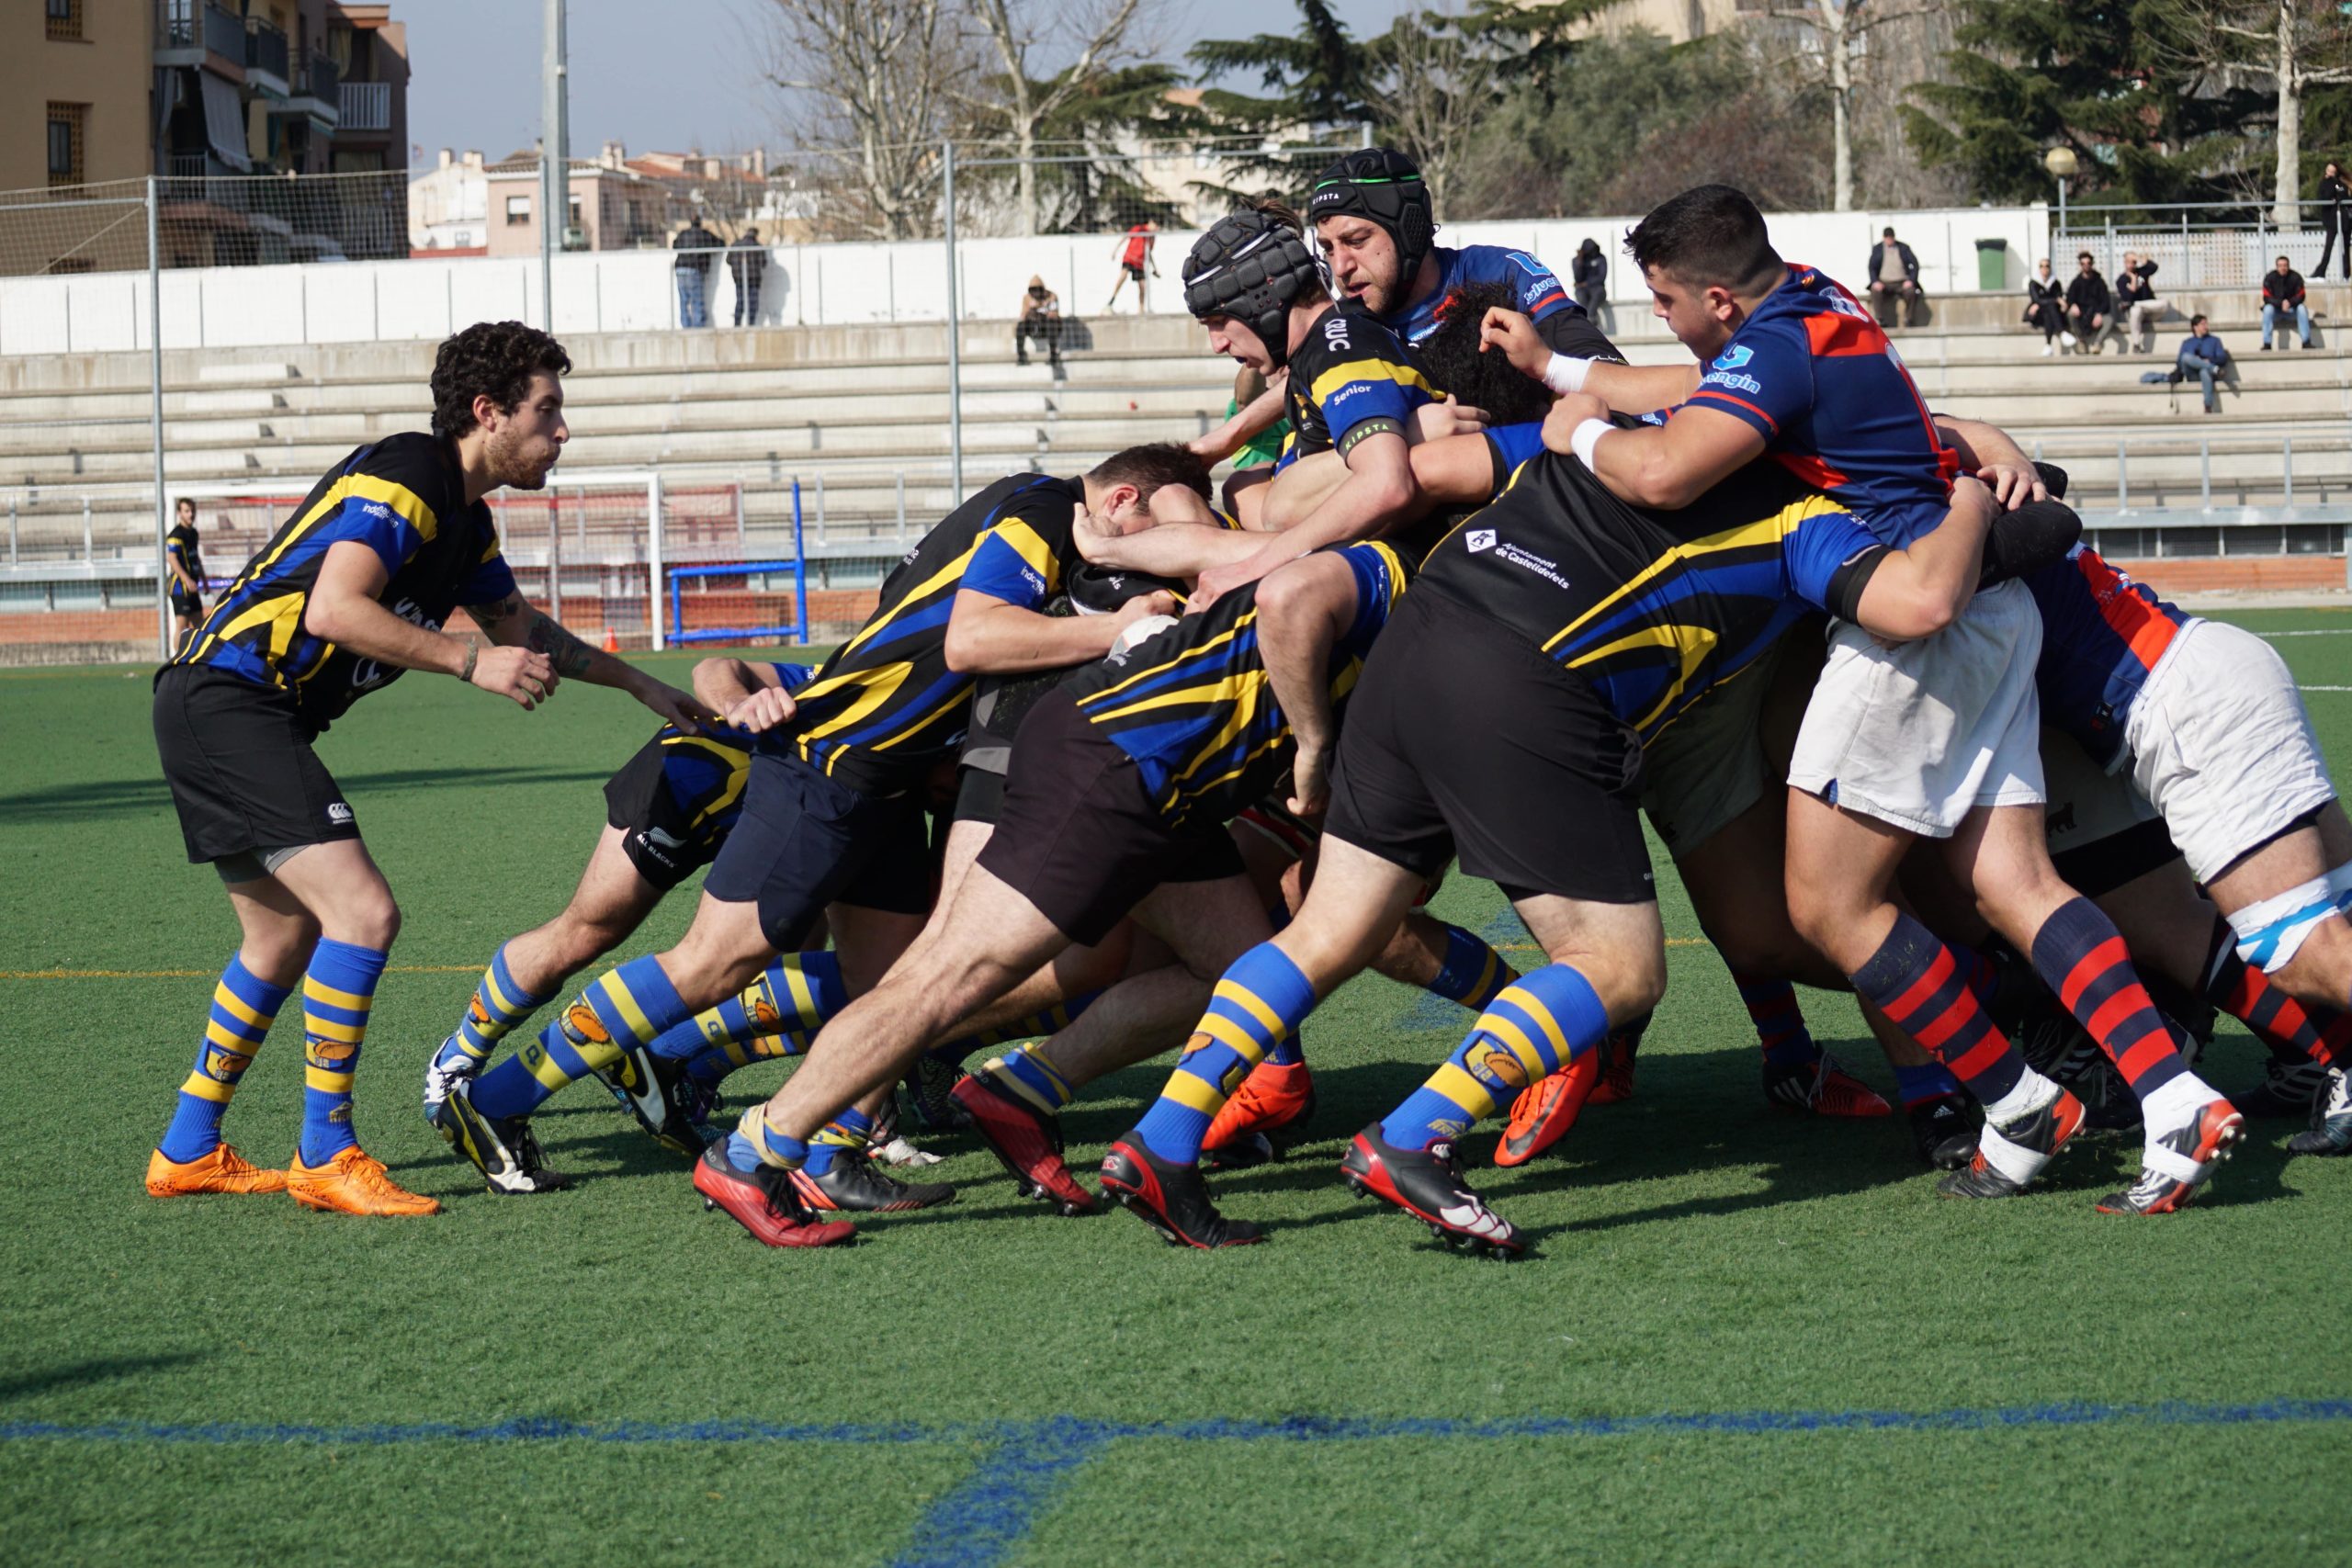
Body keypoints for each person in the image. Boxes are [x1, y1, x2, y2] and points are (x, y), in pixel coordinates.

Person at [1515, 185, 2239, 1213]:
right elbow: (1695, 381)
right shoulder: (1817, 297)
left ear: (1719, 299)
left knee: (1829, 905)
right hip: (1992, 616)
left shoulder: (1770, 346)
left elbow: (1669, 472)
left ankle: (2014, 1098)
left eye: (1667, 299)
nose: (1663, 320)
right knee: (2016, 886)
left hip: (1913, 626)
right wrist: (1563, 370)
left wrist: (1574, 433)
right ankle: (2175, 1099)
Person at [454, 447, 1203, 1242]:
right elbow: (972, 640)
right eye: (1157, 535)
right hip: (833, 765)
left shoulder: (1039, 514)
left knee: (891, 982)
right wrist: (1118, 629)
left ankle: (834, 1151)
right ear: (1123, 499)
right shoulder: (1046, 510)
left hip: (888, 782)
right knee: (713, 962)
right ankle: (498, 1099)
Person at [143, 321, 706, 1215]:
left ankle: (187, 1146)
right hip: (229, 701)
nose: (563, 433)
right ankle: (324, 1152)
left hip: (221, 710)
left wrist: (643, 686)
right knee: (364, 915)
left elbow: (524, 634)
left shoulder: (466, 524)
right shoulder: (409, 472)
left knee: (282, 938)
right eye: (547, 411)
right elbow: (335, 608)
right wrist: (464, 660)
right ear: (487, 412)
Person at [165, 496, 207, 648]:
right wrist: (187, 580)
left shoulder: (194, 533)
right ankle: (176, 660)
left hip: (193, 587)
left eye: (192, 511)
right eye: (187, 511)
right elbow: (172, 559)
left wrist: (204, 580)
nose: (191, 514)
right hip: (179, 587)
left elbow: (196, 558)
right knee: (181, 626)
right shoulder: (175, 535)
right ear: (179, 513)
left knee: (199, 626)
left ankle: (196, 658)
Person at [1865, 225, 1923, 330]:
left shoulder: (1903, 248)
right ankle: (1880, 319)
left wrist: (1911, 280)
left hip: (1901, 282)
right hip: (1884, 283)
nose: (1889, 240)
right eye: (1887, 237)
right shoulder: (1878, 249)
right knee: (1875, 291)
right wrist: (1875, 281)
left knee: (1911, 292)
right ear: (1884, 238)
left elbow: (1915, 265)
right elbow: (1872, 267)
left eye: (1891, 237)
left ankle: (1908, 319)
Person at [2178, 314, 2231, 414]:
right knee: (2186, 357)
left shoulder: (2215, 340)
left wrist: (2210, 360)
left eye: (2206, 324)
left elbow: (2222, 358)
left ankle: (2208, 405)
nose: (2206, 326)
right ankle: (2214, 368)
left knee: (2204, 371)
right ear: (2195, 327)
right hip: (2192, 374)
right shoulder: (2187, 342)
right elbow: (2180, 362)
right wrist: (2196, 361)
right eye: (2203, 324)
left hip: (2208, 375)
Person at [673, 217, 720, 329]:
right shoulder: (704, 234)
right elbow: (720, 243)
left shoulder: (683, 234)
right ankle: (698, 327)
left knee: (683, 301)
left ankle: (686, 326)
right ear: (700, 223)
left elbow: (675, 245)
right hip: (694, 269)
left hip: (680, 269)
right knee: (697, 300)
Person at [2116, 252, 2165, 353]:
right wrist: (2133, 279)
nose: (2131, 264)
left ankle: (2138, 304)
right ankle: (2136, 344)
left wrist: (2138, 257)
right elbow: (2128, 298)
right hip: (2134, 313)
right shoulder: (2121, 280)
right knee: (2135, 310)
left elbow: (2153, 267)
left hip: (2148, 308)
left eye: (2133, 262)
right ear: (2124, 263)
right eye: (2129, 262)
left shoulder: (2141, 273)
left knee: (2165, 303)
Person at [2261, 254, 2312, 350]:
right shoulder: (2270, 277)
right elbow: (2267, 297)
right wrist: (2281, 303)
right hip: (2276, 311)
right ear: (2277, 267)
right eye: (2280, 265)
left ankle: (2306, 341)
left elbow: (2301, 295)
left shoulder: (2296, 277)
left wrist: (2289, 303)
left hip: (2292, 310)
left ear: (2288, 266)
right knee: (2267, 309)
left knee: (2301, 308)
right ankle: (2267, 343)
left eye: (2285, 265)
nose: (2283, 268)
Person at [1106, 220, 1159, 313]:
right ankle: (1111, 300)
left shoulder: (1151, 237)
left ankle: (1141, 310)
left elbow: (1149, 253)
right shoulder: (1139, 229)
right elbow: (1125, 237)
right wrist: (1115, 250)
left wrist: (1155, 268)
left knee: (1142, 286)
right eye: (1156, 226)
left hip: (1139, 263)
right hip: (1129, 258)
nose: (1156, 228)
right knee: (1123, 276)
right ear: (1151, 223)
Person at [2024, 257, 2073, 355]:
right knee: (2049, 309)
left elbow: (2058, 297)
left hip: (2052, 313)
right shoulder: (2033, 283)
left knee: (2048, 313)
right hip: (2038, 314)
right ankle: (2061, 332)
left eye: (2047, 266)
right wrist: (2054, 300)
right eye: (2041, 266)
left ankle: (2048, 345)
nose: (2044, 268)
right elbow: (2036, 299)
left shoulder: (2055, 283)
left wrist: (2047, 302)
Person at [2064, 251, 2111, 353]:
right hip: (2081, 314)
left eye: (2088, 263)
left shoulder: (2099, 281)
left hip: (2096, 313)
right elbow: (2069, 298)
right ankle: (2080, 340)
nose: (2086, 266)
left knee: (2109, 320)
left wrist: (2099, 313)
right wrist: (2072, 305)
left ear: (2092, 264)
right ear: (2080, 265)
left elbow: (2106, 301)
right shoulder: (2076, 282)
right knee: (2070, 315)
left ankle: (2098, 343)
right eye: (2083, 263)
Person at [1016, 275, 1063, 370]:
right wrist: (1031, 310)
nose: (1036, 293)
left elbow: (1054, 314)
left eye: (1038, 290)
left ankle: (1053, 355)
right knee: (1020, 326)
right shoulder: (1027, 298)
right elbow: (1022, 316)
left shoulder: (1051, 296)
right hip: (1034, 326)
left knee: (1051, 323)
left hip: (1048, 326)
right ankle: (1021, 355)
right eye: (1033, 290)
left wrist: (1043, 309)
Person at [1572, 236, 1612, 333]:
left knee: (1597, 293)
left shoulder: (1601, 258)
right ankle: (1588, 320)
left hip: (1598, 289)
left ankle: (1589, 318)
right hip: (1584, 291)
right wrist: (1580, 262)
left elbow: (1602, 277)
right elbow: (1578, 278)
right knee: (1580, 294)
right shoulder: (1576, 260)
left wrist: (1586, 284)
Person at [727, 228, 766, 327]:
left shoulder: (736, 244)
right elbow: (763, 263)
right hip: (754, 279)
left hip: (739, 278)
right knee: (753, 303)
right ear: (755, 235)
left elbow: (728, 260)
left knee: (740, 301)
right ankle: (751, 323)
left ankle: (737, 324)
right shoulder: (757, 246)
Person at [2318, 161, 2347, 281]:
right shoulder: (2324, 183)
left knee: (2345, 247)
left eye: (2332, 171)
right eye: (2328, 170)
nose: (2329, 173)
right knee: (2328, 246)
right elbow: (2323, 197)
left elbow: (2343, 194)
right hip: (2331, 220)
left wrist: (2337, 192)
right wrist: (2330, 185)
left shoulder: (2340, 183)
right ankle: (2320, 273)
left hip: (2343, 219)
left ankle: (2346, 274)